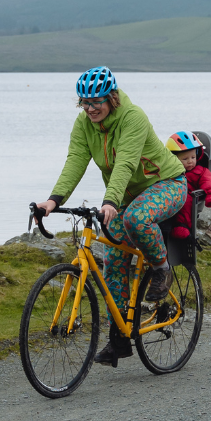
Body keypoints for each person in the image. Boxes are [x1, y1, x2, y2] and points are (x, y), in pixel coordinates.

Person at [36, 66, 187, 366]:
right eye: (84, 102)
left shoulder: (133, 118)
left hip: (167, 184)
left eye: (96, 102)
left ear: (112, 98)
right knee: (113, 263)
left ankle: (161, 268)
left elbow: (126, 163)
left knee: (135, 219)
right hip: (126, 196)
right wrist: (53, 201)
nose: (90, 108)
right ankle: (119, 339)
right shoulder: (84, 124)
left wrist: (110, 201)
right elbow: (75, 162)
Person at [164, 131, 211, 240]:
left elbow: (209, 183)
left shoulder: (200, 171)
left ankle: (182, 227)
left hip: (189, 197)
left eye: (193, 157)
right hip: (171, 195)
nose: (190, 161)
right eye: (185, 159)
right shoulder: (169, 171)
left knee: (185, 202)